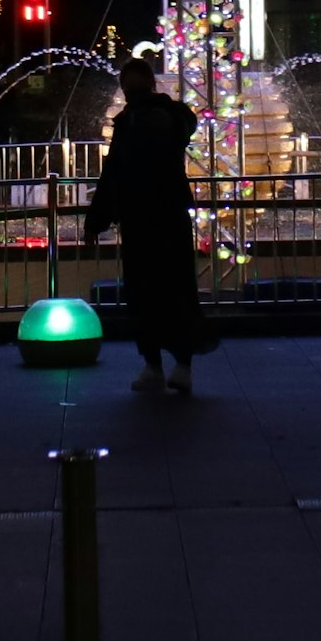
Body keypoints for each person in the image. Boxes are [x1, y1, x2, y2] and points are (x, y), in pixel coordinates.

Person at [85, 57, 217, 394]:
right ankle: (170, 366)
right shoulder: (162, 117)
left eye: (130, 85)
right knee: (168, 292)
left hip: (148, 219)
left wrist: (97, 220)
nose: (129, 92)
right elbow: (116, 171)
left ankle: (162, 366)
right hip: (162, 216)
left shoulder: (138, 120)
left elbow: (115, 172)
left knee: (153, 293)